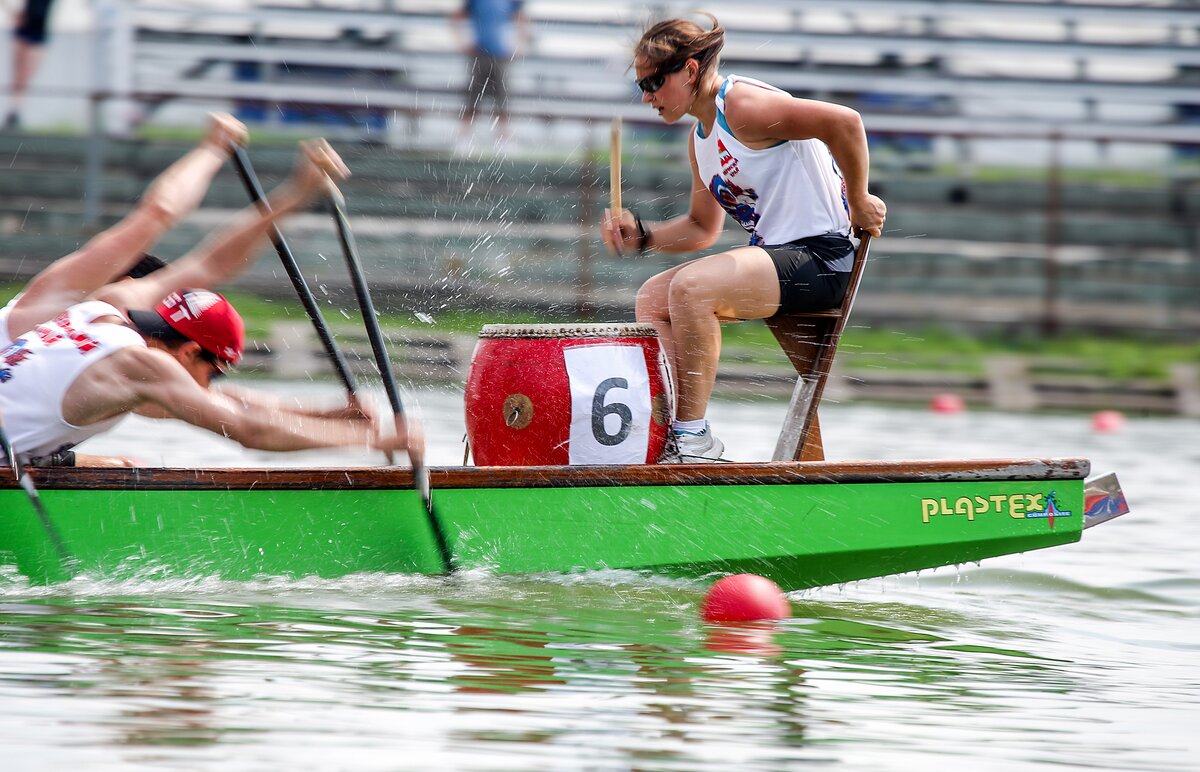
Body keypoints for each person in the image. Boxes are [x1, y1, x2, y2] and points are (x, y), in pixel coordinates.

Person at [0, 137, 413, 466]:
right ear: (192, 351)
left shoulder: (106, 305)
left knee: (121, 465)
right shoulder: (142, 366)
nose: (211, 385)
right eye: (214, 373)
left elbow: (211, 263)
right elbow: (250, 432)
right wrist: (374, 439)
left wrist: (330, 416)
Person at [600, 15, 886, 462]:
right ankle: (672, 435)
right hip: (779, 259)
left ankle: (693, 439)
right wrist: (643, 236)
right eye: (641, 84)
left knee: (693, 289)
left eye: (654, 81)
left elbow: (845, 123)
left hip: (824, 256)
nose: (647, 95)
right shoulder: (701, 140)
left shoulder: (743, 107)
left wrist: (861, 196)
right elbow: (701, 229)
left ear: (690, 71)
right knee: (653, 297)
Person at [0, 112, 249, 348]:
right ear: (126, 285)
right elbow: (158, 213)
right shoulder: (49, 307)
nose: (153, 331)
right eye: (158, 317)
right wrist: (213, 149)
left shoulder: (99, 352)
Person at [451, 0, 528, 151]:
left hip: (500, 56)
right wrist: (461, 43)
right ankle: (464, 138)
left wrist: (520, 44)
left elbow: (521, 19)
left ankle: (503, 139)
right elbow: (456, 18)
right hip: (480, 54)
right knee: (473, 97)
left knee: (502, 98)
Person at [5, 0, 55, 129]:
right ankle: (14, 111)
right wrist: (12, 12)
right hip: (25, 30)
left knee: (25, 75)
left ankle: (16, 111)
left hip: (39, 33)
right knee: (19, 76)